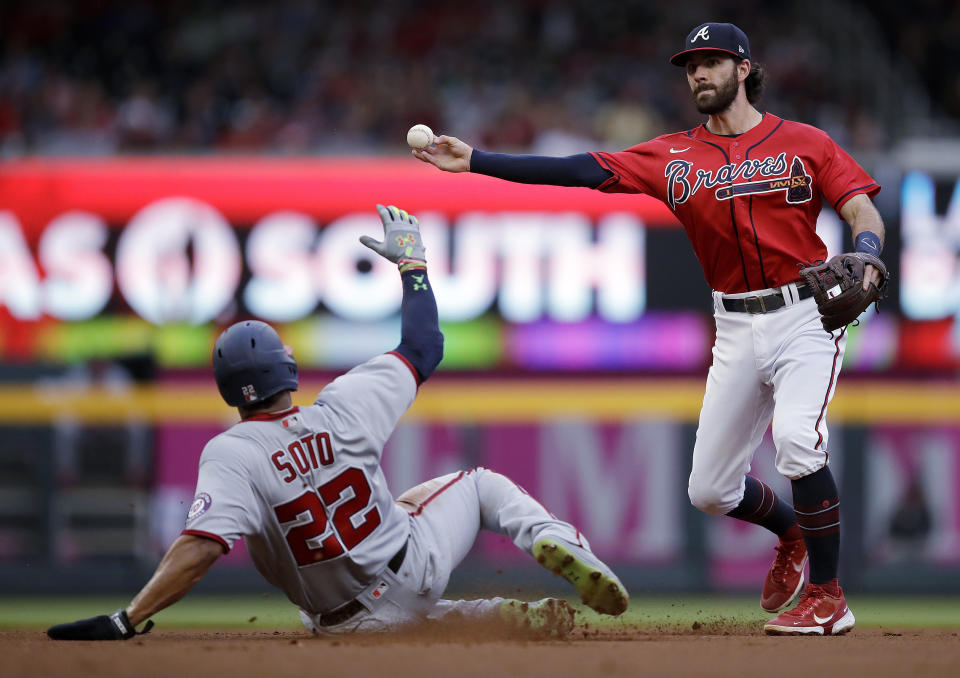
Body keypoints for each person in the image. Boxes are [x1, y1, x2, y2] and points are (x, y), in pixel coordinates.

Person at [413, 22, 885, 636]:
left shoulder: (803, 142)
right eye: (691, 65)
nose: (698, 74)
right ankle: (793, 532)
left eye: (712, 62)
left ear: (744, 69)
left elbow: (858, 205)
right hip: (734, 325)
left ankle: (827, 596)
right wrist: (477, 161)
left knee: (797, 440)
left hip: (804, 314)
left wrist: (868, 250)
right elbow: (576, 170)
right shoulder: (671, 155)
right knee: (710, 491)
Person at [46, 204, 629, 641]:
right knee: (476, 486)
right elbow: (425, 344)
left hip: (346, 626)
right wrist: (413, 266)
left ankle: (493, 618)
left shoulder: (232, 454)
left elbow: (200, 549)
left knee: (386, 593)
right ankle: (557, 550)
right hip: (415, 568)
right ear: (289, 369)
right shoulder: (344, 404)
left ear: (229, 393)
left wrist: (129, 619)